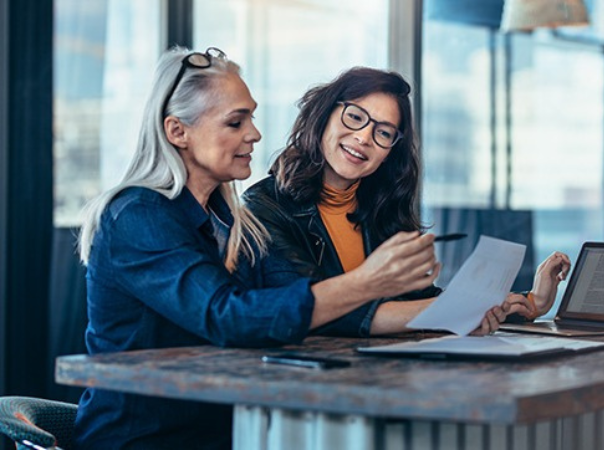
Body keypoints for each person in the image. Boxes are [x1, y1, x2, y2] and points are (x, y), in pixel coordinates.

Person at [73, 48, 440, 449]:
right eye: (236, 121)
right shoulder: (136, 216)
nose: (254, 134)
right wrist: (369, 282)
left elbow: (302, 304)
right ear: (178, 131)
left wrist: (458, 312)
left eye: (251, 117)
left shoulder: (233, 223)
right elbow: (227, 316)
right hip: (148, 440)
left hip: (229, 432)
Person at [243, 67, 571, 336]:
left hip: (381, 376)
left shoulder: (380, 209)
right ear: (324, 115)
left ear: (389, 153)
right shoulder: (263, 208)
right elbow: (319, 310)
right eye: (355, 117)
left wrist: (529, 302)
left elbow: (418, 301)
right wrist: (459, 311)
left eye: (383, 132)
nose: (364, 138)